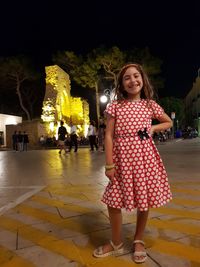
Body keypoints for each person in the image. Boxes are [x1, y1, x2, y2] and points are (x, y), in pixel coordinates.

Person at [93, 63, 173, 263]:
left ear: (143, 79)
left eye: (136, 76)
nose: (132, 80)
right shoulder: (115, 106)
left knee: (144, 200)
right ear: (121, 84)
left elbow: (168, 122)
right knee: (113, 200)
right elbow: (109, 136)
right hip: (121, 159)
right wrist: (109, 164)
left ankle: (138, 239)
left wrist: (153, 129)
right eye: (126, 77)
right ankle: (116, 241)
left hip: (145, 157)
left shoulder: (149, 105)